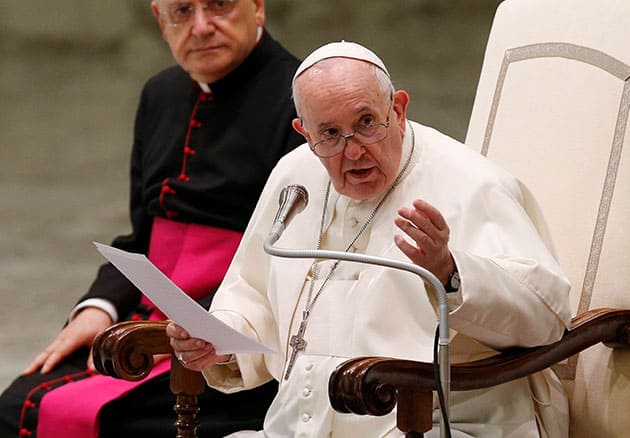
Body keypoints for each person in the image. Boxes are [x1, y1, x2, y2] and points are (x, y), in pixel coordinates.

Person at [167, 41, 573, 437]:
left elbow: (546, 318)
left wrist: (451, 272)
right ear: (304, 132)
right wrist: (219, 336)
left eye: (365, 123)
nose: (354, 151)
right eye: (329, 133)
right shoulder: (294, 177)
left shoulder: (473, 183)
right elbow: (252, 294)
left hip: (439, 420)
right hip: (300, 423)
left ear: (397, 110)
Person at [0, 1, 305, 437]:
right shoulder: (160, 94)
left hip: (235, 343)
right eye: (182, 11)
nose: (201, 27)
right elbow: (142, 237)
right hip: (145, 316)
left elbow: (297, 262)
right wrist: (98, 309)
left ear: (257, 8)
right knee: (18, 407)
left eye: (219, 5)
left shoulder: (300, 96)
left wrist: (186, 331)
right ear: (161, 23)